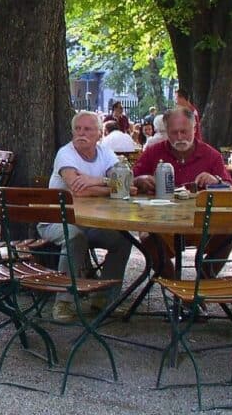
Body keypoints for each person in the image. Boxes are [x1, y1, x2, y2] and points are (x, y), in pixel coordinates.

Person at [42, 111, 133, 321]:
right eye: (78, 129)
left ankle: (103, 299)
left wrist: (93, 181)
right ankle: (63, 303)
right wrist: (109, 183)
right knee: (75, 237)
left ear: (99, 133)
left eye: (88, 129)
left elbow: (126, 183)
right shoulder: (65, 154)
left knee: (123, 239)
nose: (82, 133)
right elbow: (78, 190)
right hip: (57, 220)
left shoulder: (106, 153)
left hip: (91, 222)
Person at [133, 108, 232, 278]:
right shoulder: (153, 152)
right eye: (174, 132)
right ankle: (176, 287)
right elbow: (130, 181)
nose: (179, 137)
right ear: (166, 132)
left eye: (184, 132)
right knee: (147, 237)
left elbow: (230, 187)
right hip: (162, 222)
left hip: (202, 224)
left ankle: (203, 283)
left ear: (194, 129)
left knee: (229, 233)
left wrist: (216, 181)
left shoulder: (211, 155)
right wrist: (140, 180)